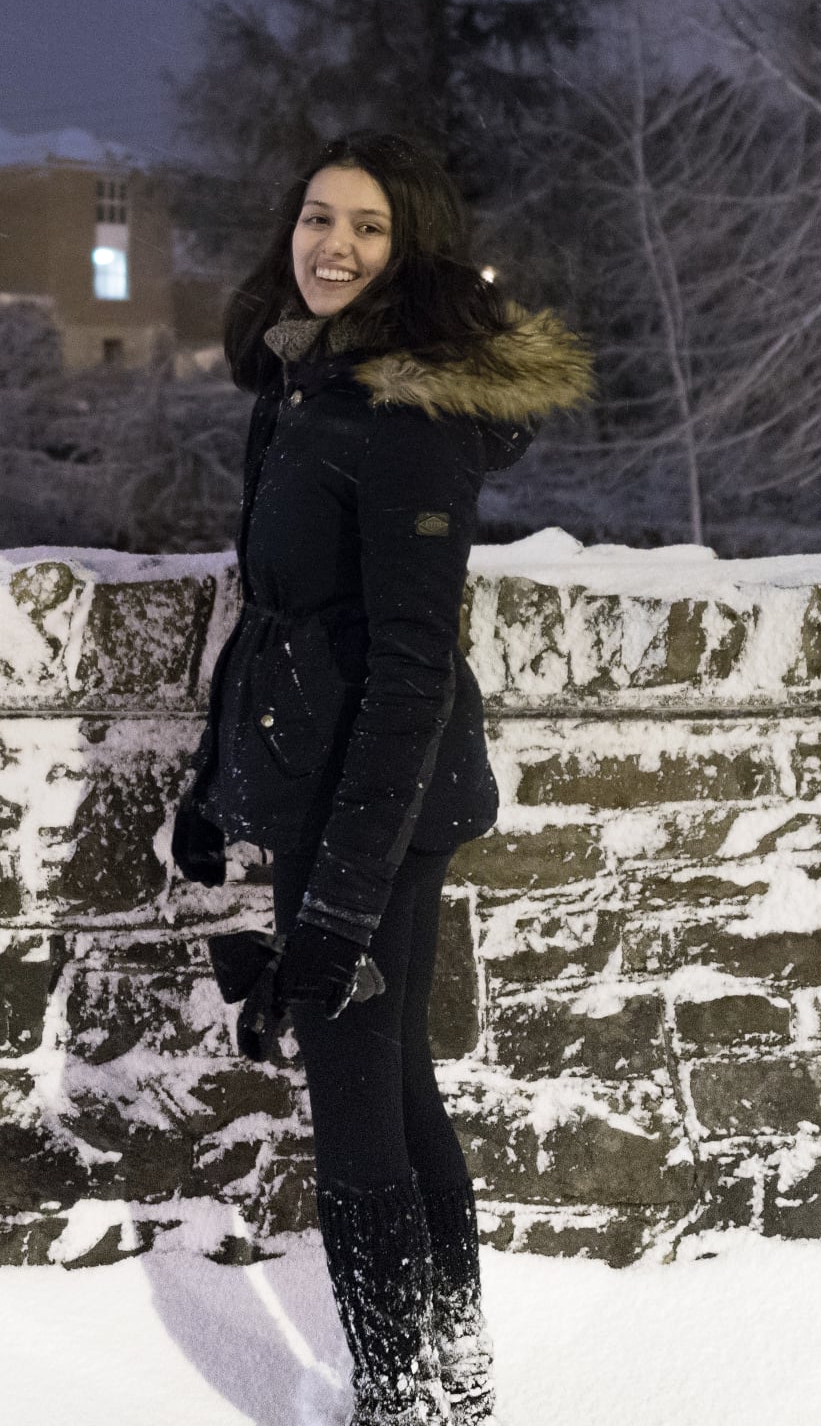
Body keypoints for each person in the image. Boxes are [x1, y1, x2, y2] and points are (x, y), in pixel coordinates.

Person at [170, 132, 591, 1426]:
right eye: (315, 217)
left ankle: (399, 1401)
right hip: (315, 781)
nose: (331, 246)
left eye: (363, 227)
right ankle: (453, 1387)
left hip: (373, 803)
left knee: (357, 1119)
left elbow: (411, 671)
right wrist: (210, 781)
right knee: (397, 1092)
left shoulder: (406, 418)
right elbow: (276, 613)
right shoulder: (304, 386)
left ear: (407, 251)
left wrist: (337, 912)